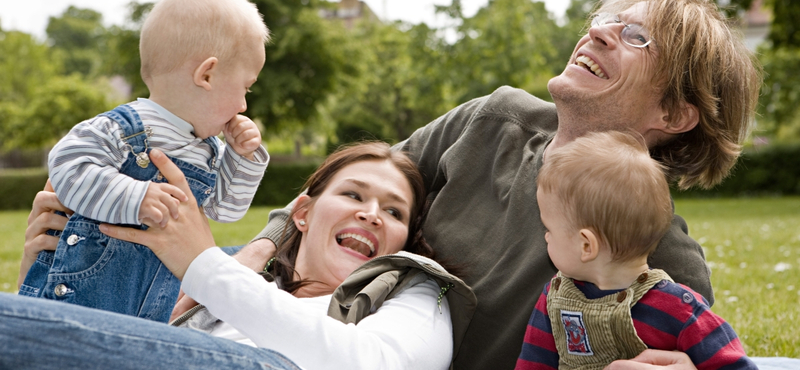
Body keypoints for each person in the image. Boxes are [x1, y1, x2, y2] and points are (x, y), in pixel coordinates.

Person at [242, 0, 762, 369]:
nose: (598, 32)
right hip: (311, 324)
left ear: (674, 111)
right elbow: (347, 187)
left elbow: (693, 347)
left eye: (636, 38)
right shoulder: (493, 119)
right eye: (607, 19)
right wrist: (257, 251)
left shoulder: (661, 250)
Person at [4, 142, 476, 370]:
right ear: (304, 214)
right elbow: (122, 340)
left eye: (393, 210)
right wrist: (46, 279)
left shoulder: (415, 290)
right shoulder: (240, 271)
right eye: (353, 195)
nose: (372, 214)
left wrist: (200, 263)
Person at [18, 0, 271, 323]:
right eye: (245, 88)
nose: (243, 105)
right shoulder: (122, 128)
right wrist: (136, 197)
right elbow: (67, 164)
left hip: (150, 310)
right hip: (76, 300)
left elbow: (226, 209)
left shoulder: (207, 149)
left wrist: (241, 156)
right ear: (206, 74)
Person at [514, 131, 756, 370]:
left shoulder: (678, 308)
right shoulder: (556, 297)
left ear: (586, 245)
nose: (545, 236)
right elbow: (532, 364)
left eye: (549, 229)